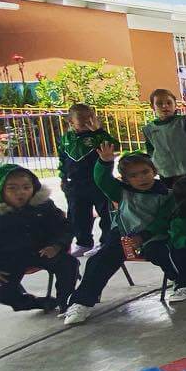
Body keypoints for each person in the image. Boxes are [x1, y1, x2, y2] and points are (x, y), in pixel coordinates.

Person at [63, 147, 176, 326]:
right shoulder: (121, 191)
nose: (141, 178)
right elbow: (102, 180)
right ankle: (81, 302)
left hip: (155, 236)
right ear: (125, 179)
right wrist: (105, 162)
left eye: (145, 172)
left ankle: (180, 279)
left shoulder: (167, 195)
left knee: (162, 252)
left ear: (154, 171)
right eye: (133, 175)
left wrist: (143, 236)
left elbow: (164, 221)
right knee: (99, 261)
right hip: (123, 236)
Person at [0, 164, 78, 313]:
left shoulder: (43, 206)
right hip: (6, 260)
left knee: (69, 264)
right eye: (12, 188)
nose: (21, 193)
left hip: (40, 252)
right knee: (1, 292)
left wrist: (56, 246)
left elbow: (64, 228)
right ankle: (34, 302)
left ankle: (66, 302)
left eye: (26, 187)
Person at [58, 102, 115, 256]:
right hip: (75, 184)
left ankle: (106, 242)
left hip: (97, 182)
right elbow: (62, 159)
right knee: (78, 214)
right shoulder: (66, 139)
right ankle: (83, 242)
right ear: (71, 122)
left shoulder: (97, 135)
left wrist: (99, 131)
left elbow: (111, 145)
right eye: (82, 119)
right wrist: (63, 177)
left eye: (90, 118)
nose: (87, 122)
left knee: (106, 212)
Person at [143, 88, 186, 180]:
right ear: (152, 106)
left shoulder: (184, 121)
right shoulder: (149, 129)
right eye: (159, 103)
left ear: (175, 104)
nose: (165, 106)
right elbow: (150, 150)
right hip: (166, 171)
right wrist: (154, 164)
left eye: (169, 103)